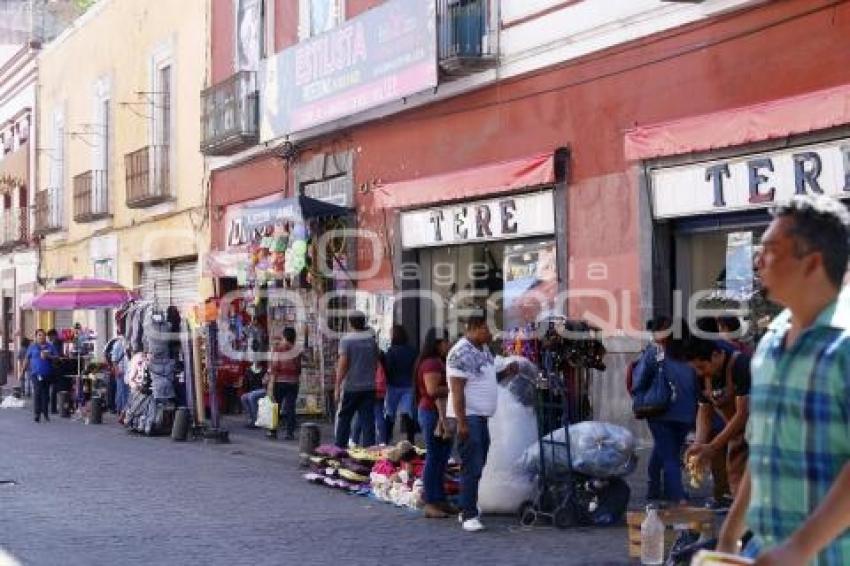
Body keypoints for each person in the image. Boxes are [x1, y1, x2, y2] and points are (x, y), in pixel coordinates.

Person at [717, 195, 850, 564]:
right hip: (766, 552)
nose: (758, 262)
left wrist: (800, 547)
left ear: (813, 262)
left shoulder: (844, 345)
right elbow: (765, 453)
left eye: (771, 250)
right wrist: (729, 537)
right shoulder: (772, 340)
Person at [446, 315, 517, 532]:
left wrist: (507, 372)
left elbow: (487, 379)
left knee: (478, 464)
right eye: (486, 329)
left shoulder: (483, 349)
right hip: (469, 417)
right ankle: (469, 515)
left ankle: (466, 506)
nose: (490, 333)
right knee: (472, 466)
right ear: (474, 328)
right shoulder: (460, 353)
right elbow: (457, 391)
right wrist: (462, 422)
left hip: (480, 417)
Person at [633, 316, 698, 504]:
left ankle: (677, 496)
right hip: (686, 412)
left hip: (660, 410)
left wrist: (640, 396)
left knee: (668, 454)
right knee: (666, 448)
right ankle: (654, 487)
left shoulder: (655, 353)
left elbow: (639, 381)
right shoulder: (691, 353)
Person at [684, 336, 751, 499]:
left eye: (702, 367)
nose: (700, 373)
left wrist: (713, 447)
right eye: (695, 369)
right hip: (736, 435)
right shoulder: (700, 376)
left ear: (716, 355)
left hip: (760, 433)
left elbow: (743, 413)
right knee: (736, 481)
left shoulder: (741, 365)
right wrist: (699, 443)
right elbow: (704, 410)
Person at [416, 328, 455, 519]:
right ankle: (430, 501)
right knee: (434, 458)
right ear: (439, 343)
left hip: (437, 413)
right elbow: (432, 390)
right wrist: (455, 387)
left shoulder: (437, 361)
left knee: (441, 458)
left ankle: (439, 499)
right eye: (446, 342)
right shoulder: (431, 363)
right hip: (432, 413)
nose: (449, 345)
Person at [334, 312, 379, 449]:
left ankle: (340, 448)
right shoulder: (371, 341)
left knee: (345, 418)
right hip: (369, 386)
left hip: (351, 386)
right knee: (367, 420)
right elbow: (376, 362)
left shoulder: (346, 340)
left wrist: (337, 385)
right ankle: (369, 450)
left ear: (350, 323)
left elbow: (343, 364)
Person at [383, 325, 418, 444]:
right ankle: (411, 439)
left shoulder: (391, 351)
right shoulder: (412, 350)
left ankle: (386, 438)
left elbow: (387, 369)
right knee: (408, 413)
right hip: (408, 385)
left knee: (390, 413)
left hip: (393, 385)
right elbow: (415, 368)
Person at [269, 328, 301, 440]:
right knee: (290, 408)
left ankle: (273, 431)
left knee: (275, 406)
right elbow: (298, 368)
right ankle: (289, 433)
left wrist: (271, 384)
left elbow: (274, 367)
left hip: (279, 381)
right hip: (293, 382)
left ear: (284, 336)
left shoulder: (278, 349)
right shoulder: (296, 350)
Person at [22, 329, 59, 422]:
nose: (41, 337)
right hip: (35, 374)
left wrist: (49, 356)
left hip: (47, 374)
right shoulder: (32, 347)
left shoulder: (50, 346)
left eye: (43, 335)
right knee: (37, 393)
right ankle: (37, 414)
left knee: (46, 395)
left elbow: (57, 358)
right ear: (36, 336)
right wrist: (22, 372)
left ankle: (46, 413)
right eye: (39, 335)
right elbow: (26, 359)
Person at [240, 361, 268, 428]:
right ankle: (250, 419)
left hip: (263, 390)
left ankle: (255, 421)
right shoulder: (248, 370)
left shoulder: (264, 370)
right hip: (253, 391)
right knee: (243, 397)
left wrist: (265, 381)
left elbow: (265, 383)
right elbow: (245, 384)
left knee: (252, 396)